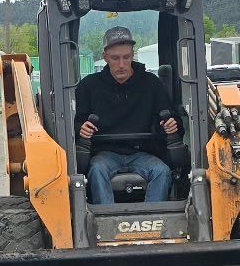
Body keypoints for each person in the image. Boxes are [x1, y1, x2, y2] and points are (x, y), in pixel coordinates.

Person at [74, 26, 182, 205]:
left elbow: (172, 119)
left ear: (133, 56)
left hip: (142, 151)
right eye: (115, 58)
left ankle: (152, 222)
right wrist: (81, 128)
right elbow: (76, 121)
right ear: (105, 57)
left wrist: (170, 125)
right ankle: (105, 223)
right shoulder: (89, 86)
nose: (122, 64)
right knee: (97, 169)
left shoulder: (151, 84)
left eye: (126, 57)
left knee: (162, 171)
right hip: (105, 153)